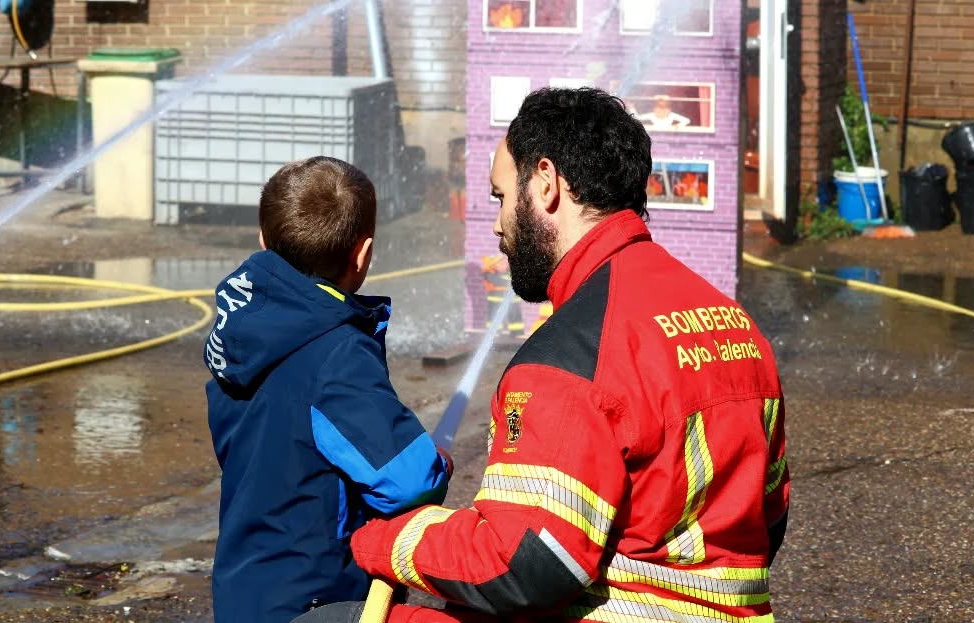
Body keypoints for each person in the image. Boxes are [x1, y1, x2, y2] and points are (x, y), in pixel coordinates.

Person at [301, 87, 789, 623]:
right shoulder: (735, 326)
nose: (497, 225)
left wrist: (387, 541)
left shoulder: (569, 357)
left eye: (501, 197)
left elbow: (526, 564)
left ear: (546, 183)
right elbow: (767, 518)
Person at [203, 156, 453, 623]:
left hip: (245, 588)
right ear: (363, 254)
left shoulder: (237, 331)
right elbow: (408, 482)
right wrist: (438, 464)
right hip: (318, 596)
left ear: (263, 240)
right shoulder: (336, 353)